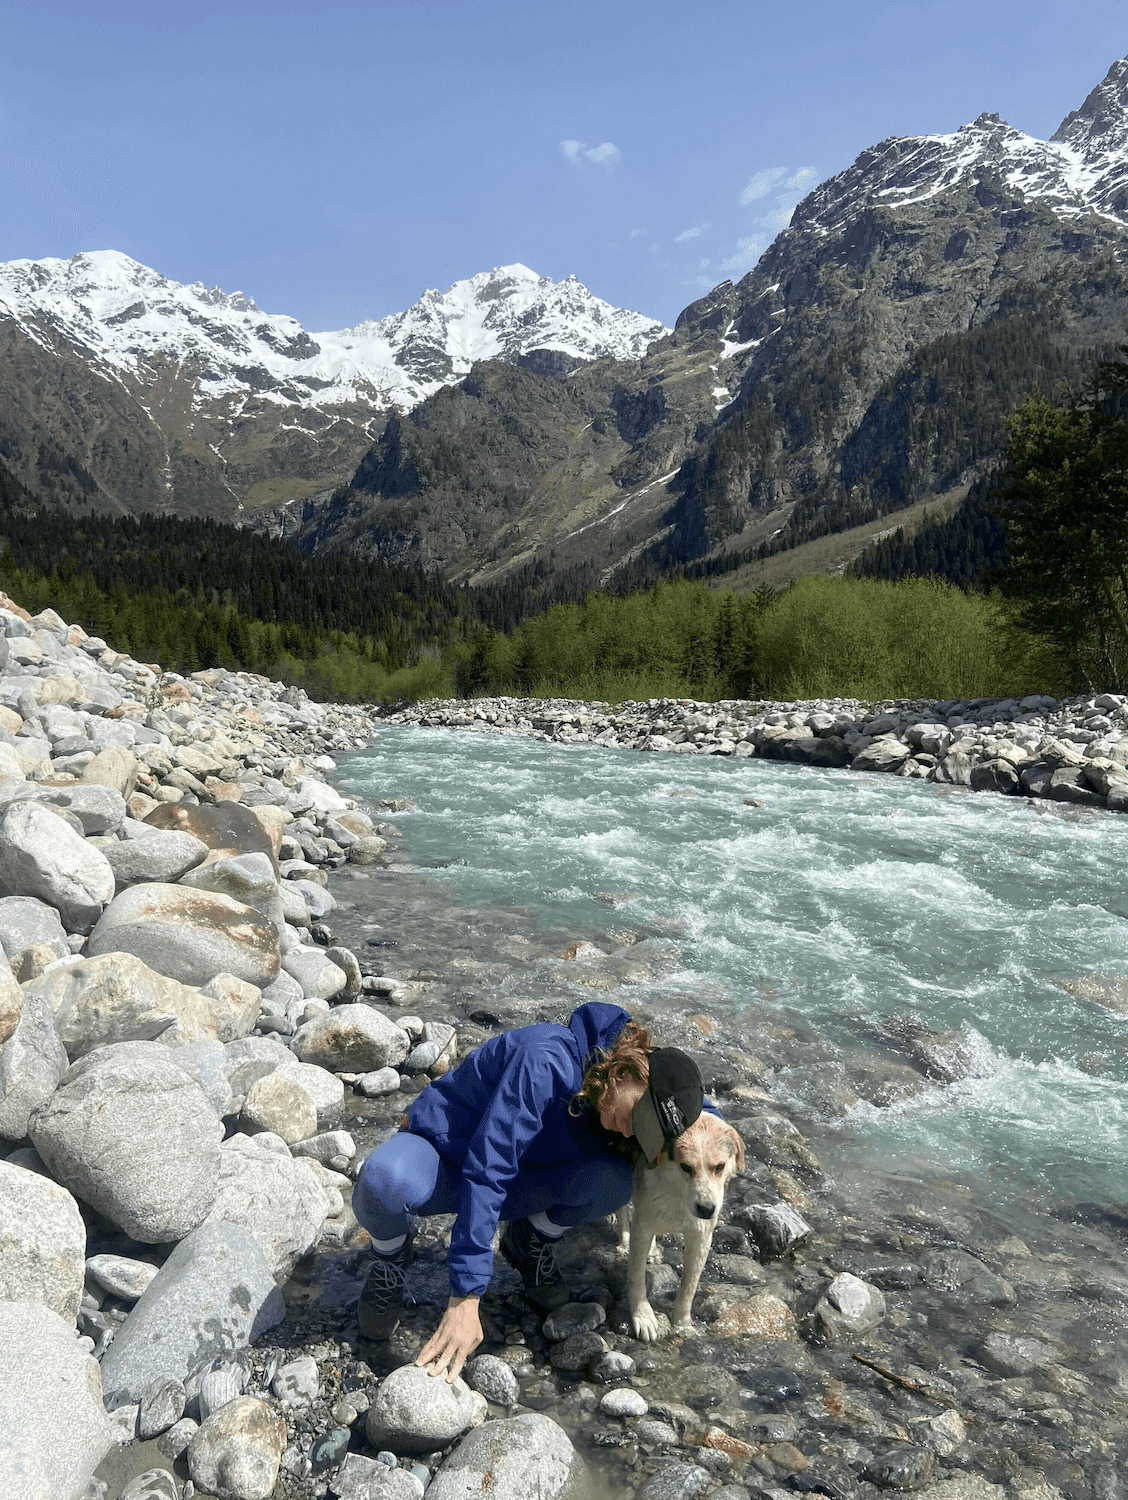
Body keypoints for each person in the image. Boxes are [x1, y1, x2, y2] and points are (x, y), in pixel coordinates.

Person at [351, 1000, 705, 1382]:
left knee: (614, 1182)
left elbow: (698, 1113)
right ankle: (390, 1258)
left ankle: (528, 1241)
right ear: (625, 1071)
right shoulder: (544, 1060)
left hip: (518, 1176)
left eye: (643, 1131)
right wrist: (466, 1296)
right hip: (444, 1157)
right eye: (636, 1116)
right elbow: (489, 1168)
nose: (628, 1130)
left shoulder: (618, 1098)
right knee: (383, 1179)